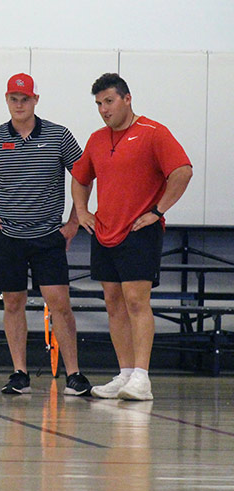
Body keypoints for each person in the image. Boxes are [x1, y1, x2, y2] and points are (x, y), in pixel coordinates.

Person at [0, 73, 92, 396]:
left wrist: (75, 220)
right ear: (7, 100)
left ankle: (74, 374)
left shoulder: (58, 136)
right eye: (14, 99)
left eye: (25, 99)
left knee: (60, 303)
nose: (19, 104)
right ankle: (19, 373)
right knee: (13, 303)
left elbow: (84, 175)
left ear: (35, 100)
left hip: (47, 236)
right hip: (6, 236)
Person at [71, 73, 192, 401]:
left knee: (137, 301)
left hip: (139, 231)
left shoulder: (153, 132)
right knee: (113, 303)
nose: (103, 109)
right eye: (98, 104)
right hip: (104, 231)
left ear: (127, 99)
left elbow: (182, 171)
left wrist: (158, 210)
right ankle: (125, 374)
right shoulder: (97, 139)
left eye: (108, 101)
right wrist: (82, 212)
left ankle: (142, 376)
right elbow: (81, 178)